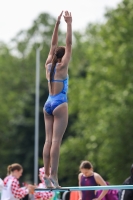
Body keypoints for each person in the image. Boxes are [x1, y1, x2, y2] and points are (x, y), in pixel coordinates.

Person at [43, 10, 72, 189]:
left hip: (47, 103)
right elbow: (68, 44)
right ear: (63, 57)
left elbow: (54, 45)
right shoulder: (62, 67)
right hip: (59, 104)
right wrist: (69, 23)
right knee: (56, 142)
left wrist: (57, 24)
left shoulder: (48, 65)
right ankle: (53, 176)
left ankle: (45, 175)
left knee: (47, 141)